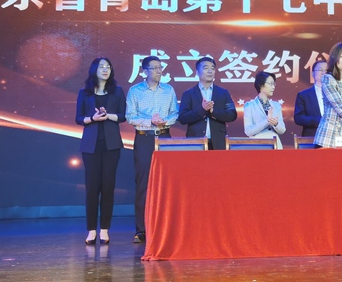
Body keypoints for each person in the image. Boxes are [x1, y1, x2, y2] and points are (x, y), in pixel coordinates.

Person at [125, 55, 178, 244]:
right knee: (144, 183)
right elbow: (130, 116)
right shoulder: (135, 91)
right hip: (144, 138)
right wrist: (150, 122)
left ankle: (166, 227)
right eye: (154, 68)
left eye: (160, 67)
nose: (158, 71)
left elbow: (175, 113)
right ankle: (142, 230)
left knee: (167, 183)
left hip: (164, 137)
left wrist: (165, 121)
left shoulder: (169, 90)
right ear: (145, 71)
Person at [75, 57, 126, 245]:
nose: (106, 70)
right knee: (92, 188)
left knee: (108, 187)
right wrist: (93, 119)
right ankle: (91, 230)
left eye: (108, 67)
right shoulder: (85, 92)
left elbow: (123, 116)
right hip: (91, 146)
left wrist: (107, 116)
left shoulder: (117, 91)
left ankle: (104, 229)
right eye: (102, 67)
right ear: (94, 70)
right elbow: (78, 118)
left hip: (112, 145)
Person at [178, 56, 237, 150]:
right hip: (195, 142)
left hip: (218, 142)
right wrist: (202, 110)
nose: (210, 71)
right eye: (206, 68)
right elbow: (182, 118)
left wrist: (213, 112)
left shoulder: (223, 93)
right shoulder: (188, 94)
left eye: (212, 68)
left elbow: (232, 115)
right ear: (197, 72)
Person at [244, 71, 286, 148]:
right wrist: (267, 121)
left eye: (274, 84)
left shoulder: (276, 105)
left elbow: (282, 130)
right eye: (270, 84)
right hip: (257, 146)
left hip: (275, 146)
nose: (273, 87)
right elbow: (248, 131)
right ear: (261, 85)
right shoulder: (249, 105)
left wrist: (276, 124)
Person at [293, 58, 327, 137]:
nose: (324, 72)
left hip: (335, 137)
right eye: (320, 70)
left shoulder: (338, 93)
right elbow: (299, 117)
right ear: (313, 73)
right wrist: (319, 120)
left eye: (327, 70)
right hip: (312, 136)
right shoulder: (303, 95)